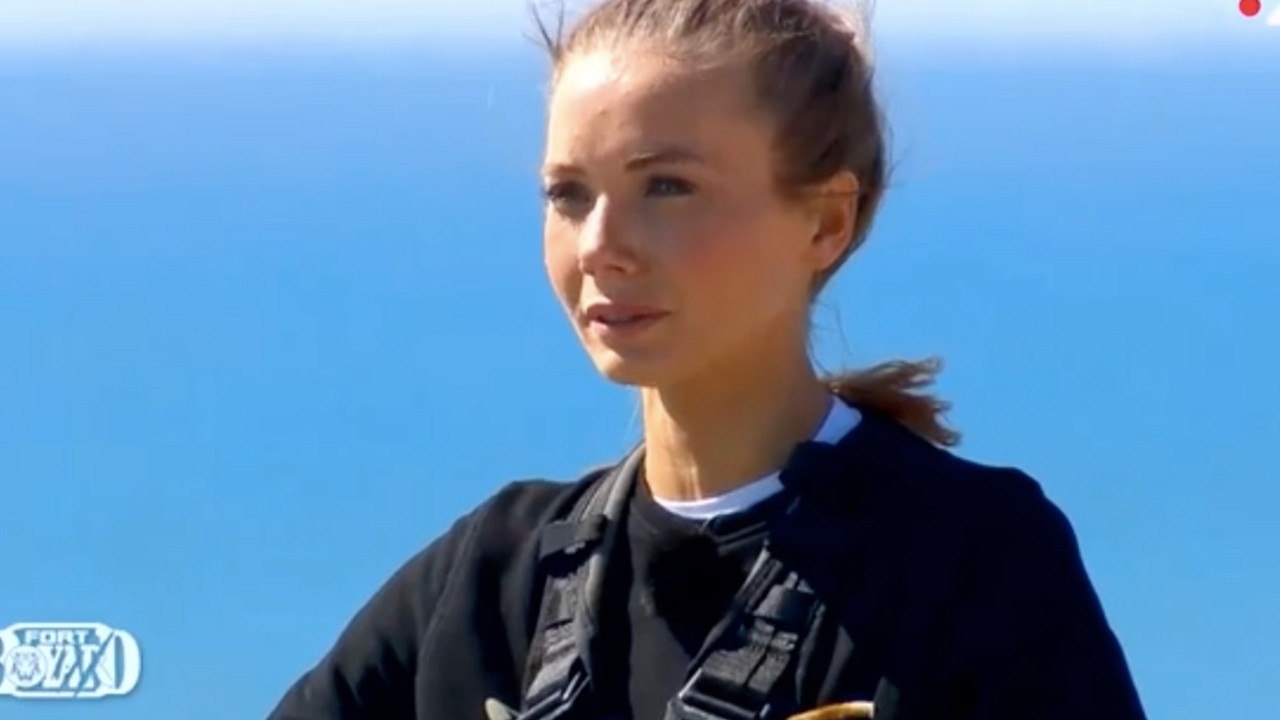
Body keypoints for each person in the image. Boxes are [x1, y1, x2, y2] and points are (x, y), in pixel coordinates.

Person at [267, 1, 1147, 718]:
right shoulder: (493, 582)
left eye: (668, 187)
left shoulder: (970, 565)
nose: (602, 247)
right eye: (569, 195)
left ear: (825, 221)